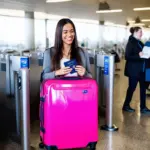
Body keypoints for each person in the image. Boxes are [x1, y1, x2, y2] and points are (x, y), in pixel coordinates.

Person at [122, 26, 150, 114]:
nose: (141, 34)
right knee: (132, 88)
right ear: (134, 32)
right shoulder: (131, 42)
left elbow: (144, 53)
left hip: (142, 70)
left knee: (143, 89)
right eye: (140, 32)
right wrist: (139, 56)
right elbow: (127, 56)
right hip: (133, 71)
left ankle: (143, 107)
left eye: (142, 32)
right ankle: (126, 105)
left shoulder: (140, 43)